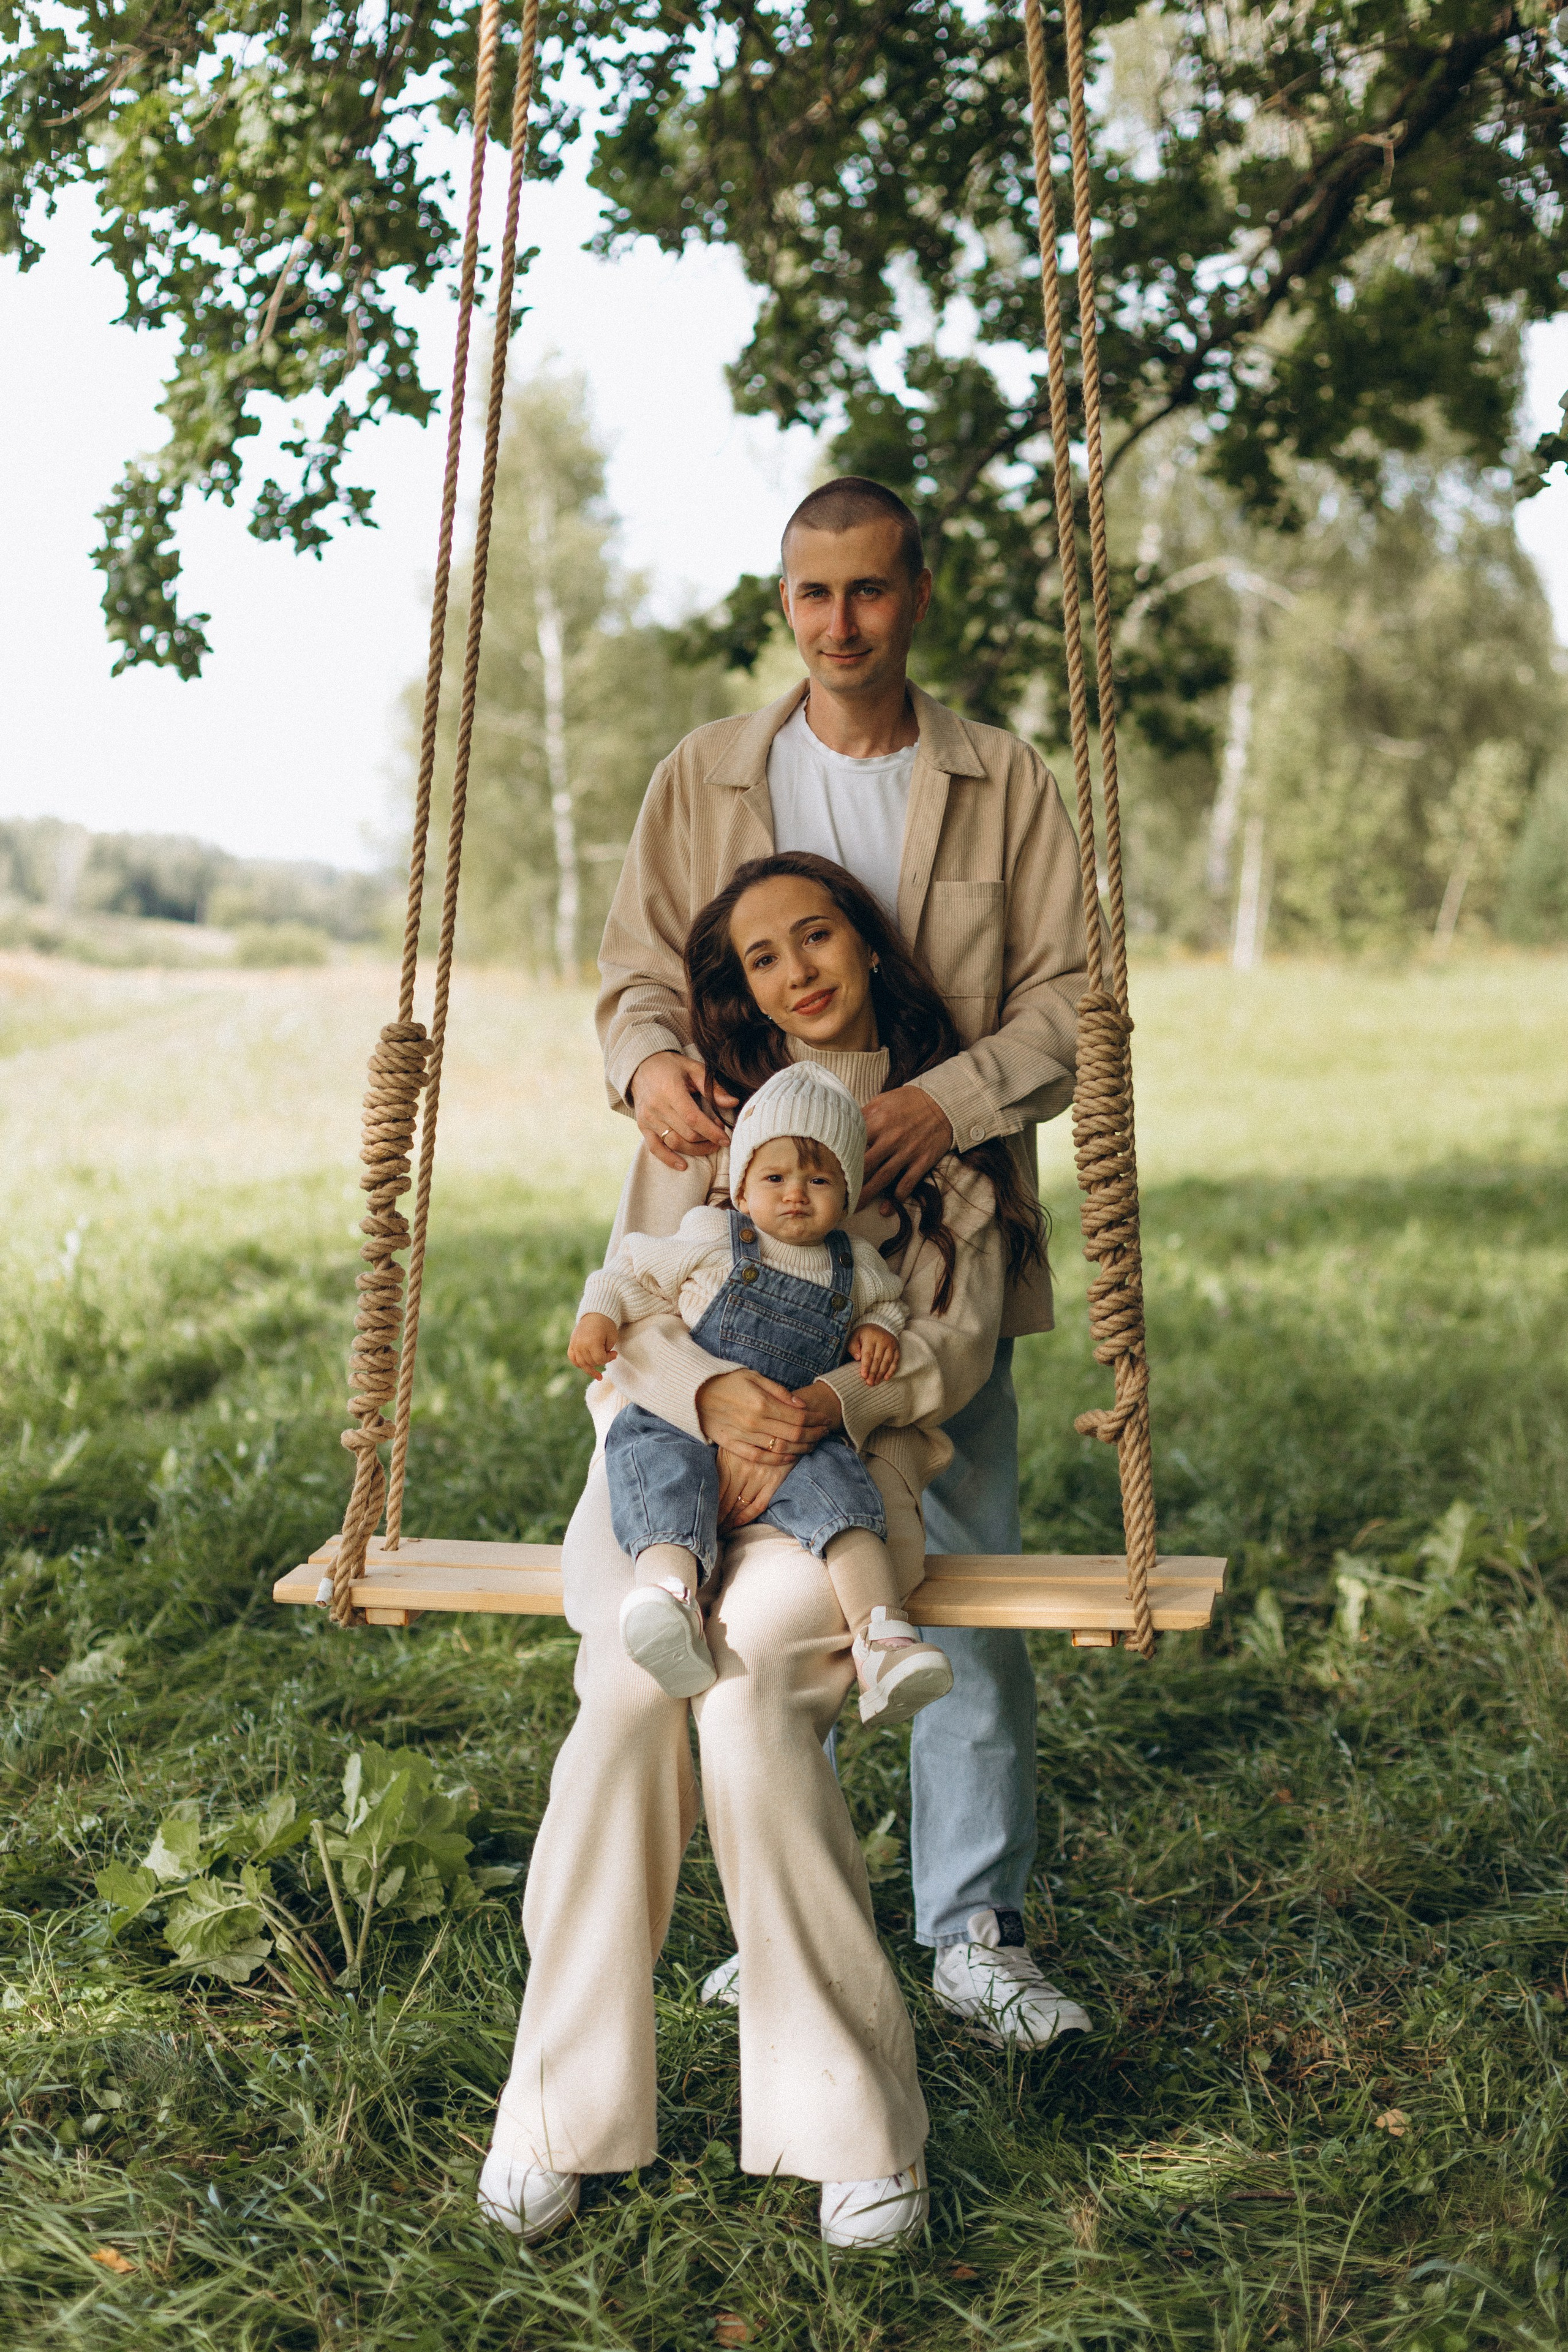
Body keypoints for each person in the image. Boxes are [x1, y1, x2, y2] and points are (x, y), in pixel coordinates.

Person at [479, 857, 1047, 2249]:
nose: (797, 969)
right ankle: (555, 2105)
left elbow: (950, 1356)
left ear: (866, 946)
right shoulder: (700, 1124)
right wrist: (705, 1396)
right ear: (732, 983)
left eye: (819, 935)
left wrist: (824, 1404)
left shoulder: (939, 1145)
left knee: (739, 1705)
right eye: (760, 953)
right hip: (664, 1479)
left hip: (832, 1488)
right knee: (623, 1696)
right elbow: (623, 1328)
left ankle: (851, 2119)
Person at [596, 475, 1094, 2046]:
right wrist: (645, 1071)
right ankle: (777, 1909)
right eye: (811, 595)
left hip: (927, 1234)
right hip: (728, 1241)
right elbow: (630, 979)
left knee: (951, 1565)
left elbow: (1074, 1002)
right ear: (783, 602)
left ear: (917, 595)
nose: (839, 625)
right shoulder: (704, 776)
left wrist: (940, 1101)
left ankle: (973, 1928)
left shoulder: (999, 780)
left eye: (868, 591)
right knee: (742, 1571)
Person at [570, 1060, 956, 1725]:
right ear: (743, 1189)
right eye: (775, 1177)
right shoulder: (709, 1236)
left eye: (819, 1179)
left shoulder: (857, 1265)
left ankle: (882, 1640)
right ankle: (669, 1603)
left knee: (849, 1506)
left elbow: (887, 1308)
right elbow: (630, 1271)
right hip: (684, 1424)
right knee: (665, 1480)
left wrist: (873, 1333)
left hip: (797, 1442)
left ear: (849, 1193)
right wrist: (598, 1315)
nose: (796, 1194)